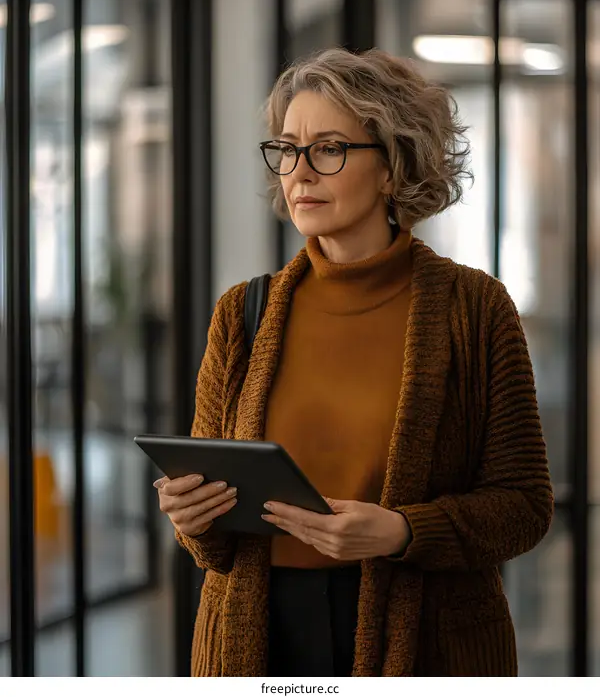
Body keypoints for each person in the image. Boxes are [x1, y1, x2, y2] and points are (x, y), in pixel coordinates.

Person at [154, 47, 554, 677]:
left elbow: (524, 508)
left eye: (330, 148)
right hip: (255, 641)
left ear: (393, 167)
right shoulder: (241, 313)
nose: (300, 172)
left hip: (426, 642)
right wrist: (191, 517)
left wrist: (400, 532)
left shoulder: (475, 309)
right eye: (287, 149)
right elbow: (214, 538)